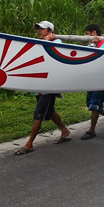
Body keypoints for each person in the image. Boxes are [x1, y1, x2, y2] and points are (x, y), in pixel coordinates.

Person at [15, 21, 71, 155]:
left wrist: (48, 42)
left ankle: (29, 144)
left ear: (50, 31)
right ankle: (64, 130)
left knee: (38, 114)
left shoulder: (57, 43)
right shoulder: (40, 43)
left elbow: (57, 56)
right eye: (38, 29)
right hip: (40, 85)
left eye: (42, 29)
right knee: (49, 111)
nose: (39, 31)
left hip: (49, 86)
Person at [80, 24, 104, 140]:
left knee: (94, 104)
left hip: (103, 79)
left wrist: (93, 44)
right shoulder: (92, 44)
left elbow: (99, 57)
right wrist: (84, 44)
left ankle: (92, 130)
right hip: (93, 78)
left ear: (94, 33)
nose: (85, 36)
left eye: (87, 34)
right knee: (89, 103)